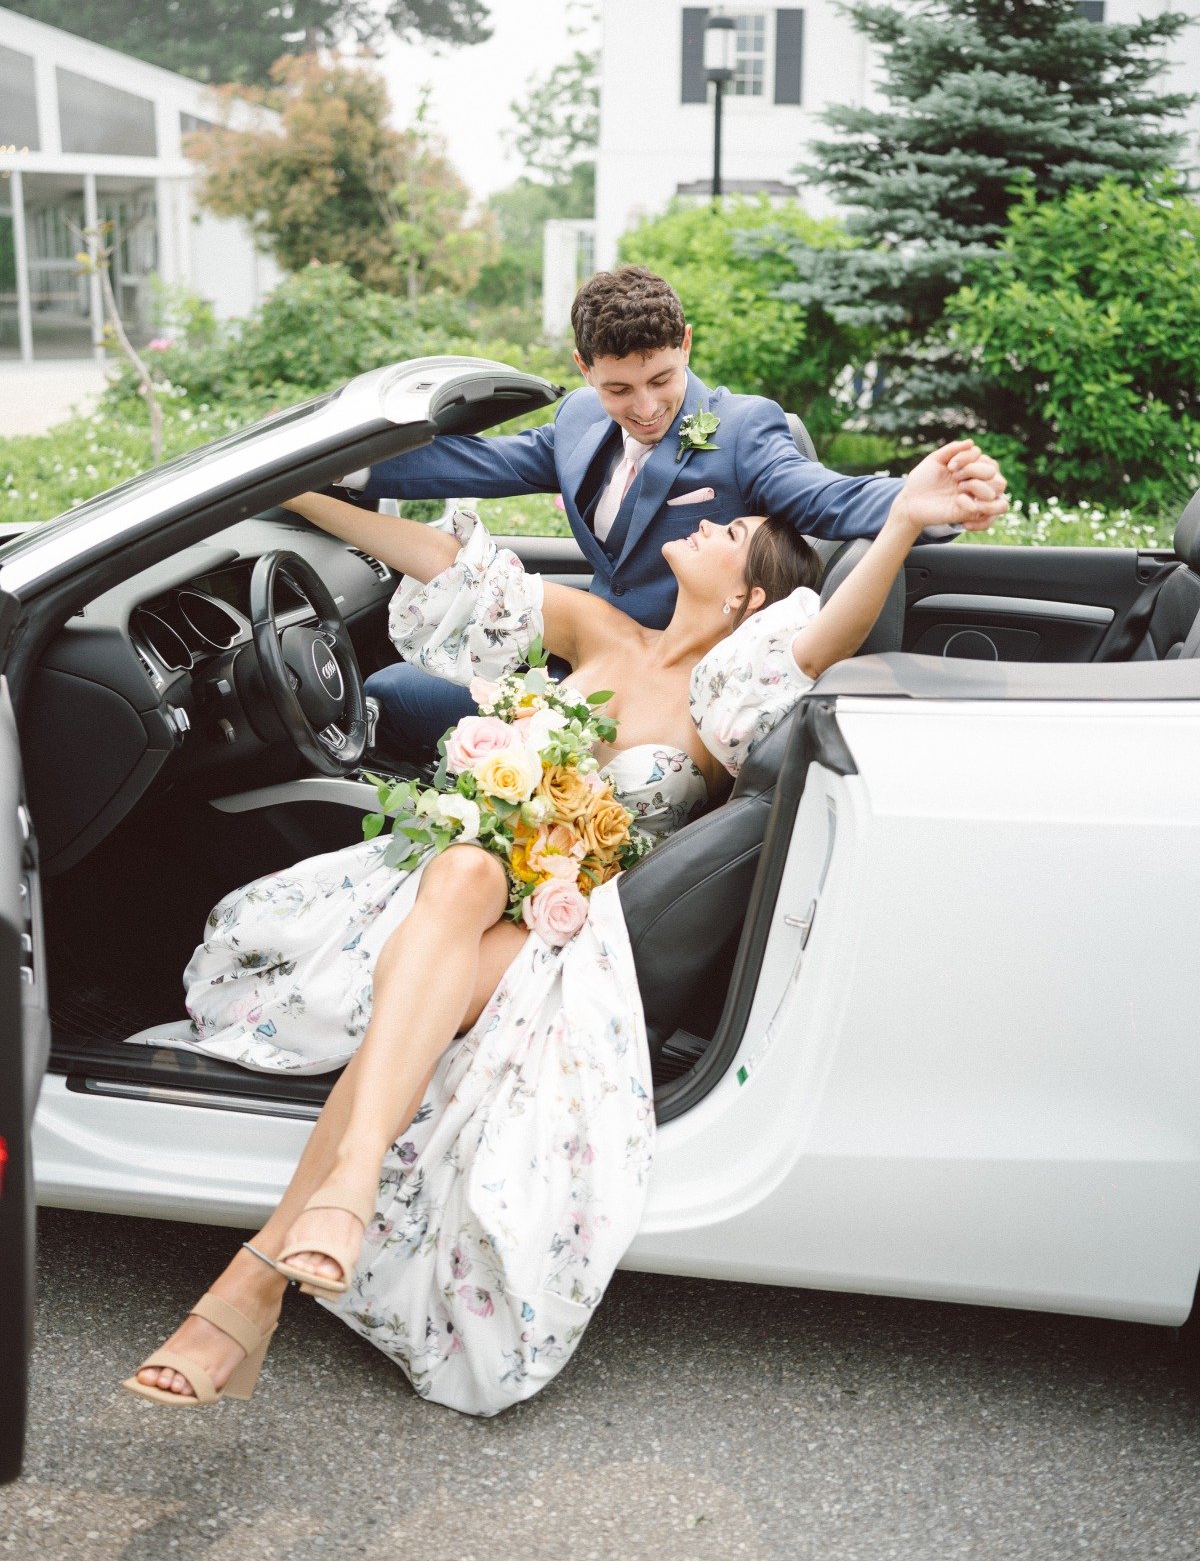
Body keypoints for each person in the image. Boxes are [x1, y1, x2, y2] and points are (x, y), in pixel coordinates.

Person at [124, 439, 1005, 1417]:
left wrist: (905, 520)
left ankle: (255, 1276)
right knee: (461, 866)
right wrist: (291, 490)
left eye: (735, 532)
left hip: (559, 926)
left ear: (751, 598)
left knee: (448, 921)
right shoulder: (601, 627)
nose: (709, 522)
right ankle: (323, 1213)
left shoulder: (728, 694)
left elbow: (828, 633)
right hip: (461, 880)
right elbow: (439, 561)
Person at [349, 266, 1006, 756]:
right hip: (583, 657)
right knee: (389, 686)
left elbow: (824, 497)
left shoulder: (743, 429)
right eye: (618, 388)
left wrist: (923, 504)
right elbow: (483, 465)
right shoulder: (579, 418)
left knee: (388, 697)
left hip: (673, 705)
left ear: (685, 345)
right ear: (584, 369)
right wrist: (337, 467)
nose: (645, 407)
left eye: (662, 380)